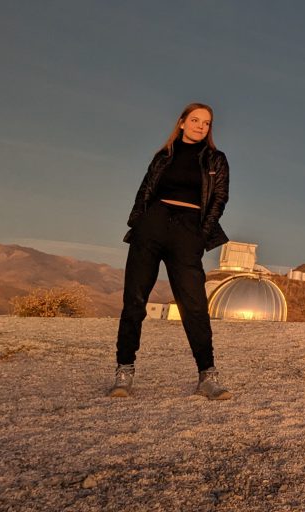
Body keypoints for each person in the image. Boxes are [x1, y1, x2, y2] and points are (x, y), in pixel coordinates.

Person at [110, 103, 232, 400]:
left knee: (194, 306)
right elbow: (145, 191)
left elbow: (219, 198)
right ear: (181, 123)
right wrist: (139, 224)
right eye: (194, 120)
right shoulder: (163, 156)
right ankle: (124, 373)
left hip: (188, 232)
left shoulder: (216, 159)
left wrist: (200, 237)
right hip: (152, 227)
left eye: (206, 123)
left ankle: (207, 376)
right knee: (135, 301)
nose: (200, 126)